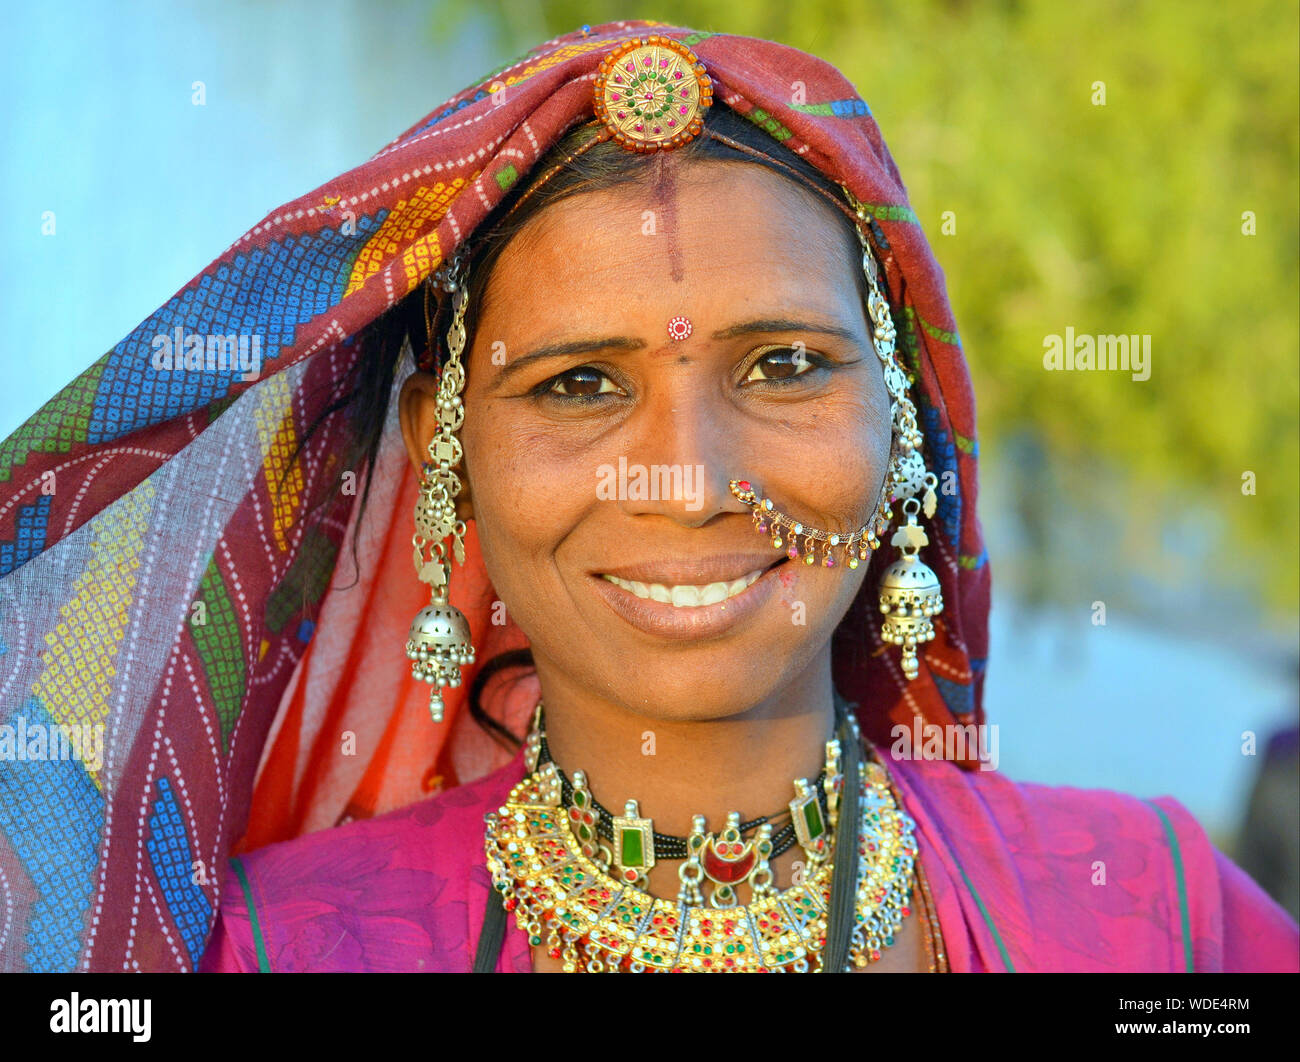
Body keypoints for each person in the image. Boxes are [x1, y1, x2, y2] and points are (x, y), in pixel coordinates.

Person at [0, 22, 1293, 974]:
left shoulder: (1162, 920)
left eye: (784, 365)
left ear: (897, 415)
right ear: (441, 443)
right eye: (576, 386)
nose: (689, 479)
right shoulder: (271, 950)